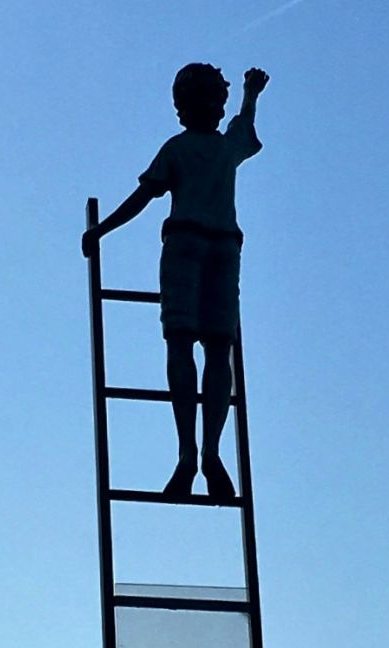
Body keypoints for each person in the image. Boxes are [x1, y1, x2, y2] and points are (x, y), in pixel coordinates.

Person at [84, 63, 268, 499]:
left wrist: (250, 94)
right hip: (206, 247)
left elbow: (146, 195)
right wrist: (102, 230)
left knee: (207, 348)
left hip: (209, 248)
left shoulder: (201, 148)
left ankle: (202, 453)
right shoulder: (196, 148)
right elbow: (146, 195)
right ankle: (195, 453)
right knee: (195, 346)